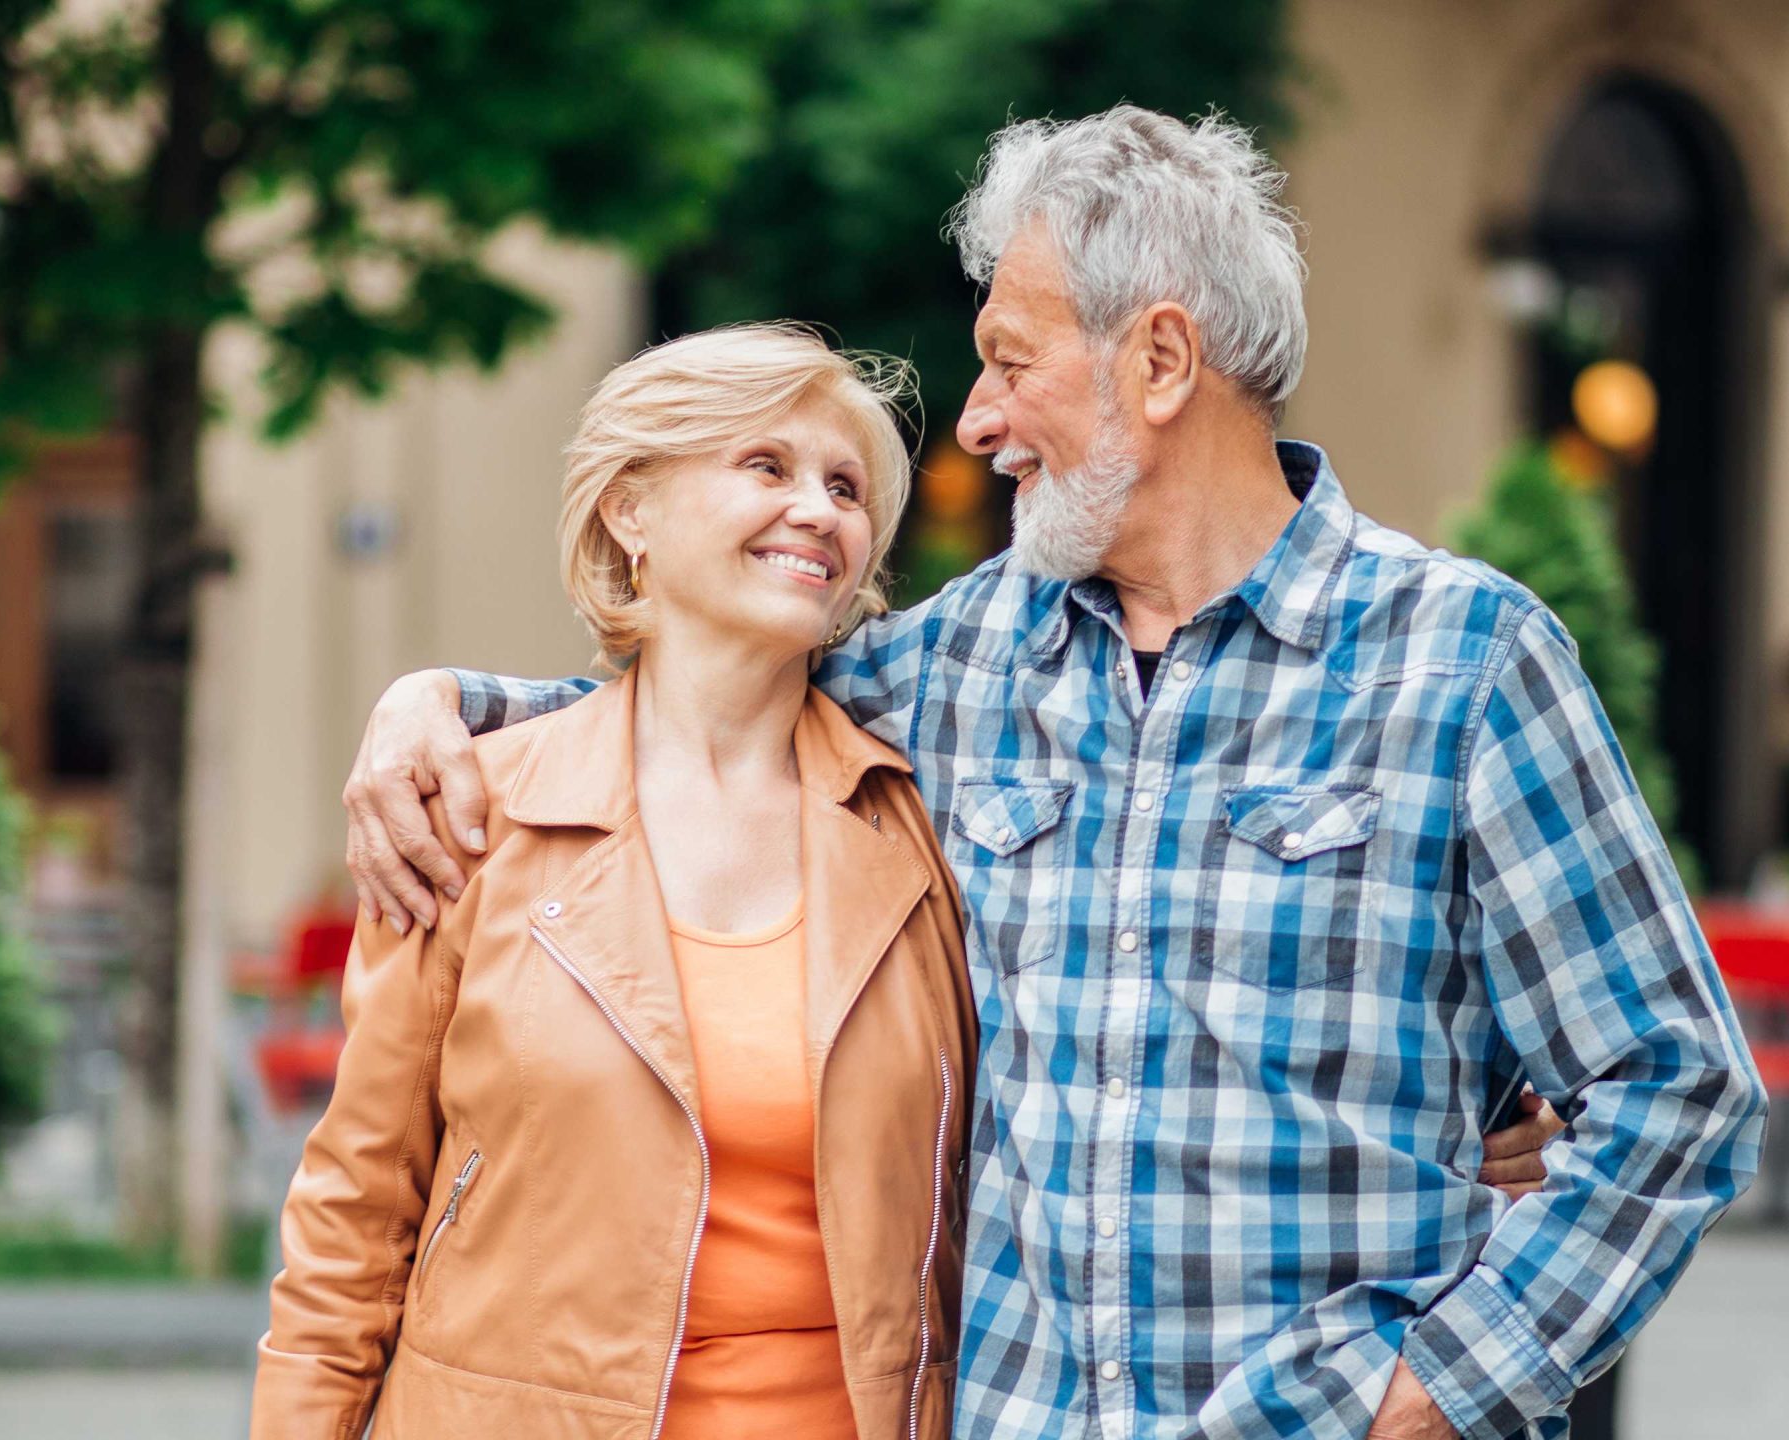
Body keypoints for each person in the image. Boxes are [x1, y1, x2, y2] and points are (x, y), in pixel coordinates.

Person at [343, 107, 1765, 1440]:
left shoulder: (1464, 663)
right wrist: (442, 709)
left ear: (1158, 364)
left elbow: (1677, 1089)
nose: (973, 421)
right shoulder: (959, 662)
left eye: (1010, 361)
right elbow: (695, 707)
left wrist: (1433, 1396)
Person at [253, 325, 981, 1438]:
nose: (819, 511)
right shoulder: (469, 817)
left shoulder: (920, 828)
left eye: (843, 487)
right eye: (766, 467)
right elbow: (356, 1214)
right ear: (629, 511)